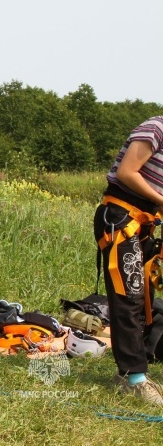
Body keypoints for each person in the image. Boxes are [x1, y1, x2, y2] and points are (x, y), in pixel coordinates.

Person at [94, 116, 163, 405]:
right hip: (121, 218)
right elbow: (126, 172)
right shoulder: (157, 128)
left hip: (144, 221)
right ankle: (134, 378)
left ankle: (131, 372)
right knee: (128, 297)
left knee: (144, 296)